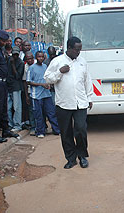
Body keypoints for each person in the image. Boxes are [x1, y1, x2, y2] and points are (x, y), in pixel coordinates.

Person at [44, 37, 93, 169]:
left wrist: (89, 98)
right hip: (63, 103)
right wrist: (60, 72)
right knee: (66, 132)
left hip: (80, 102)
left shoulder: (82, 62)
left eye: (80, 49)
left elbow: (87, 80)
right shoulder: (57, 61)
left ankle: (82, 156)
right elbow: (47, 78)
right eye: (77, 50)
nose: (79, 52)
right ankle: (71, 158)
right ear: (69, 48)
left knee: (81, 130)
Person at [27, 51, 60, 138]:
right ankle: (40, 131)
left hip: (46, 94)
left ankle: (56, 130)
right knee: (39, 115)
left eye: (42, 57)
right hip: (36, 95)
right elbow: (28, 81)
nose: (40, 58)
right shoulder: (32, 68)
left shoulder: (45, 66)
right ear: (36, 57)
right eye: (39, 57)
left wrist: (48, 84)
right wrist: (41, 85)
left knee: (51, 112)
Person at [7, 46, 24, 132]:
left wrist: (13, 65)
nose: (15, 56)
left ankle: (17, 125)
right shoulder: (8, 60)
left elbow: (18, 76)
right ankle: (10, 124)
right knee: (8, 107)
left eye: (17, 55)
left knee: (16, 107)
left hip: (16, 87)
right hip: (8, 86)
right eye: (14, 55)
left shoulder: (20, 63)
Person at [23, 51, 36, 136]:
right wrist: (26, 96)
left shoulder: (38, 64)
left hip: (39, 92)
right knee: (31, 110)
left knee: (40, 111)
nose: (30, 60)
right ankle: (33, 127)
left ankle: (42, 126)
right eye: (28, 59)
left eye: (31, 58)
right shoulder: (25, 67)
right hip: (30, 91)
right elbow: (25, 82)